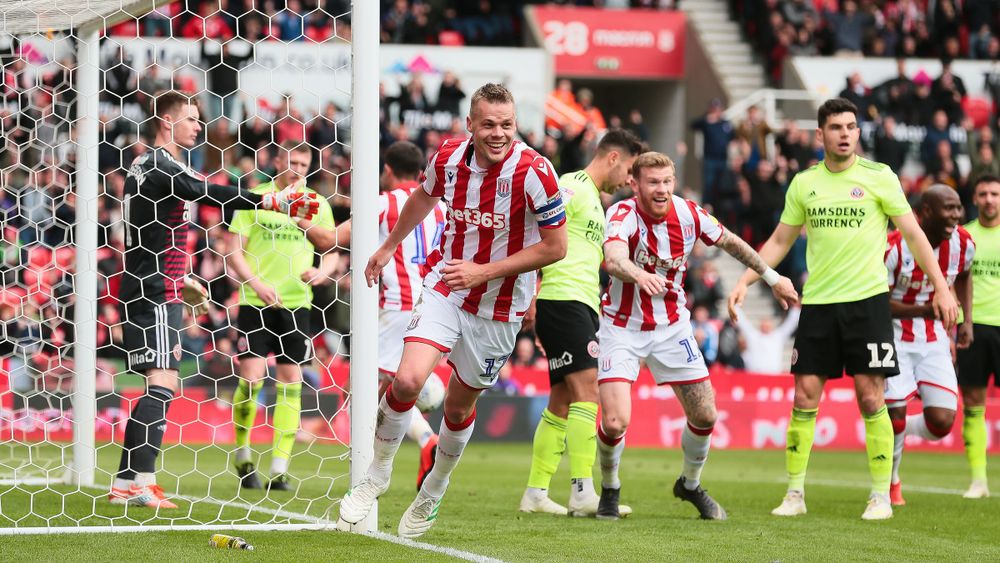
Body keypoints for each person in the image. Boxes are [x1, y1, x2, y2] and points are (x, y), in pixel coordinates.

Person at [338, 83, 568, 539]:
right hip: (446, 286)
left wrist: (485, 272)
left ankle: (433, 489)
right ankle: (376, 476)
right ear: (470, 124)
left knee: (459, 409)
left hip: (500, 310)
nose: (498, 133)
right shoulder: (447, 157)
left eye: (506, 124)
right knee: (406, 380)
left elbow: (556, 246)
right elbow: (423, 197)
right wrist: (387, 247)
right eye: (488, 124)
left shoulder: (536, 172)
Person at [727, 98, 959, 521]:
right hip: (818, 304)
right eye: (836, 127)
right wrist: (747, 280)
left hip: (868, 303)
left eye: (851, 126)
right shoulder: (804, 183)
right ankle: (794, 494)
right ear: (820, 135)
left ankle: (880, 496)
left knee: (872, 397)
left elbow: (914, 235)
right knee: (803, 396)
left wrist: (942, 288)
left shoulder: (880, 177)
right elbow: (780, 240)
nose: (845, 133)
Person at [109, 91, 319, 508]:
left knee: (158, 382)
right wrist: (270, 200)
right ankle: (144, 483)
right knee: (163, 383)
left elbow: (154, 231)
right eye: (190, 119)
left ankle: (124, 481)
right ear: (167, 122)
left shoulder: (143, 165)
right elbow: (208, 192)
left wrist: (182, 276)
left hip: (153, 283)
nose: (197, 127)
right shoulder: (160, 163)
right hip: (152, 290)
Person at [595, 151, 799, 520]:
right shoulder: (622, 215)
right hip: (621, 327)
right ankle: (610, 489)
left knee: (705, 415)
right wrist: (637, 274)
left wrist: (772, 277)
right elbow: (613, 257)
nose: (661, 190)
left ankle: (689, 484)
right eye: (653, 182)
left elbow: (731, 242)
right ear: (634, 184)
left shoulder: (687, 212)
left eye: (667, 181)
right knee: (614, 422)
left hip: (673, 327)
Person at [519, 129, 644, 517]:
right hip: (563, 301)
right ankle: (582, 491)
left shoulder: (596, 201)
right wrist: (534, 292)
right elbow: (536, 232)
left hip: (580, 303)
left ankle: (536, 493)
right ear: (613, 158)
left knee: (562, 401)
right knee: (589, 393)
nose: (629, 181)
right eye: (629, 170)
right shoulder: (571, 186)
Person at [226, 141, 337, 491]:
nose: (298, 170)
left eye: (305, 164)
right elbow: (233, 252)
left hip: (296, 304)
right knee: (252, 379)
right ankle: (243, 454)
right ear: (277, 161)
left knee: (291, 382)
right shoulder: (254, 197)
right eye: (293, 162)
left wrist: (323, 272)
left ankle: (279, 468)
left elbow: (331, 249)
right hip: (255, 302)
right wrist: (256, 284)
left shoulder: (317, 204)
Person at [884, 185, 975, 505]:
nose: (956, 215)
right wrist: (925, 309)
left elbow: (963, 275)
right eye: (948, 209)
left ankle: (894, 428)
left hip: (934, 337)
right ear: (923, 213)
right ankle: (891, 482)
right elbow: (878, 302)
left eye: (958, 208)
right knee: (895, 407)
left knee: (942, 422)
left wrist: (966, 320)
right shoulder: (895, 246)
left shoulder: (963, 243)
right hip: (893, 334)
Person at [374, 140, 448, 490]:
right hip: (432, 306)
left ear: (387, 170)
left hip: (397, 305)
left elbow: (332, 238)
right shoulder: (441, 208)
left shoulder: (384, 203)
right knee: (388, 386)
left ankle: (422, 441)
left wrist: (293, 213)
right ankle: (422, 439)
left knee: (368, 388)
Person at [957, 174, 1000, 500]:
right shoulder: (964, 236)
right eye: (983, 193)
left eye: (995, 194)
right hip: (972, 327)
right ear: (975, 198)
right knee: (973, 405)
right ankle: (978, 480)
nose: (989, 199)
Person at [736, 307, 801, 374]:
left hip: (774, 378)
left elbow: (790, 324)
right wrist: (735, 306)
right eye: (764, 324)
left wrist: (795, 309)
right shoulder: (753, 336)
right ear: (760, 325)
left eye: (767, 324)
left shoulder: (778, 336)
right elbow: (742, 322)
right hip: (755, 377)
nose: (766, 326)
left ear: (771, 325)